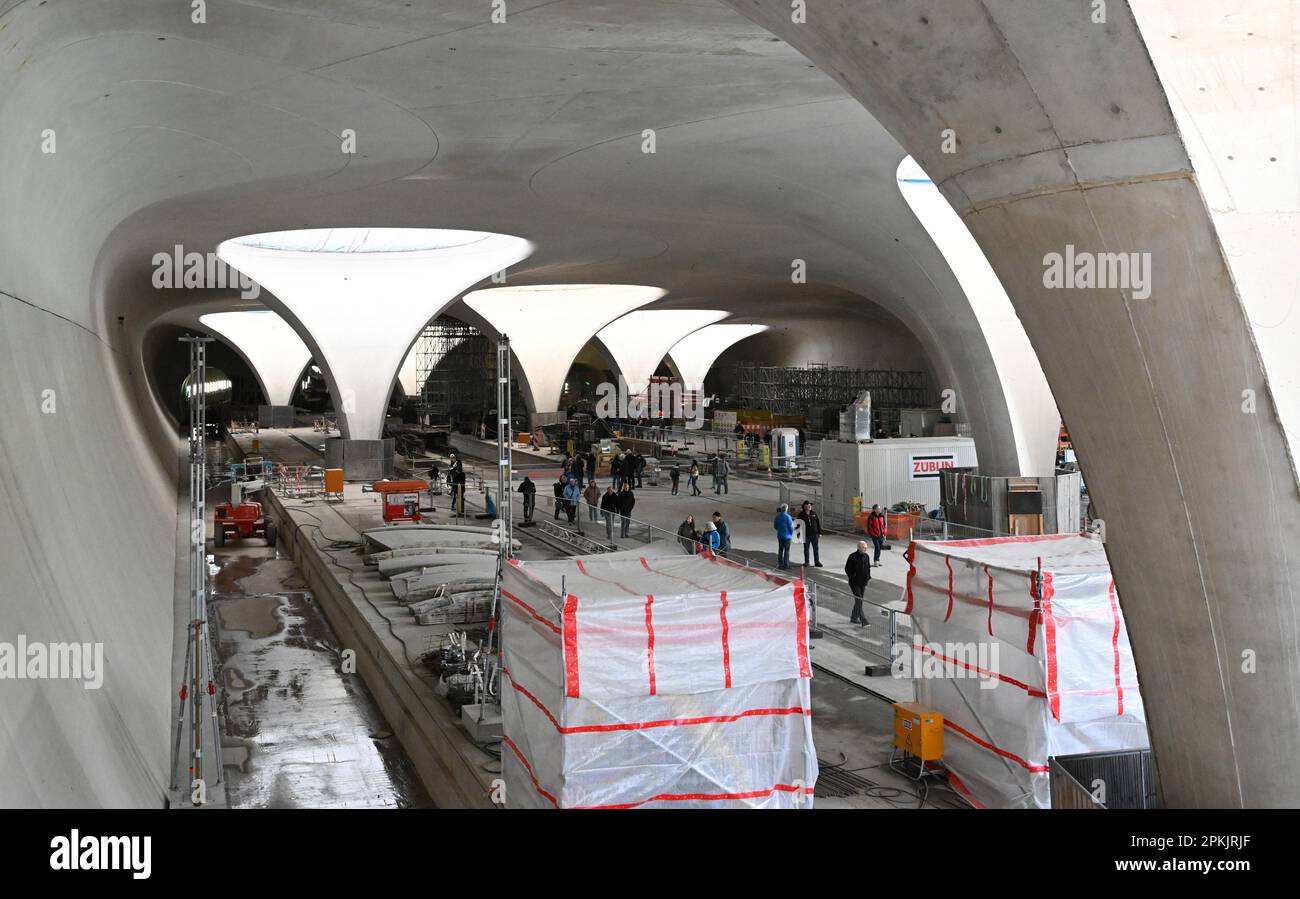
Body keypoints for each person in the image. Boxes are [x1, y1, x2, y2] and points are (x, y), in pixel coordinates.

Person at [845, 541, 873, 626]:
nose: (865, 549)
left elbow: (868, 568)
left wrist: (868, 577)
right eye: (863, 548)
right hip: (854, 583)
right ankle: (863, 619)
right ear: (859, 548)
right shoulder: (852, 556)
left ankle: (854, 617)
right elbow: (847, 569)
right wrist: (853, 577)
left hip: (863, 582)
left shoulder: (866, 556)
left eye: (866, 548)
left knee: (859, 601)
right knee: (859, 600)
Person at [797, 500, 823, 567]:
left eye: (810, 505)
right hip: (806, 535)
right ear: (804, 507)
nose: (810, 506)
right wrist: (798, 534)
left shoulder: (814, 513)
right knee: (806, 549)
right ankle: (806, 562)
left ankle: (817, 562)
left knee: (816, 549)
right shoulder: (801, 515)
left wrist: (819, 532)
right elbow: (798, 525)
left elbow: (818, 523)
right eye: (808, 505)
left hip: (814, 535)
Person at [773, 503, 795, 570]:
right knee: (787, 551)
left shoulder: (777, 516)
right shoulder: (788, 517)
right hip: (787, 536)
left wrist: (779, 530)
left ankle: (780, 563)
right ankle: (786, 564)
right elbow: (791, 527)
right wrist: (791, 534)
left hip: (780, 535)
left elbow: (775, 526)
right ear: (786, 509)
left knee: (780, 549)